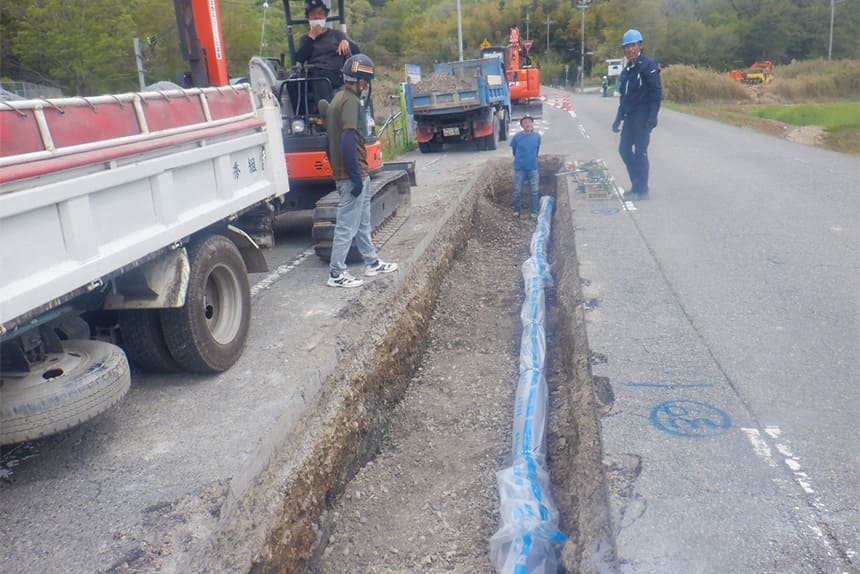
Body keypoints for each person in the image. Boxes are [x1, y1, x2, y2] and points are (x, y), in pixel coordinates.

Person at [323, 54, 397, 288]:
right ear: (362, 81)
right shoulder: (351, 102)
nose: (367, 86)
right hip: (352, 175)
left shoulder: (336, 100)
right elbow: (348, 139)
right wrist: (354, 176)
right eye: (367, 81)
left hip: (352, 173)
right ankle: (337, 273)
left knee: (363, 222)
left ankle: (371, 262)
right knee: (347, 225)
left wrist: (339, 169)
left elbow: (328, 142)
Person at [612, 29, 662, 200]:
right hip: (630, 117)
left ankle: (642, 190)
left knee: (640, 152)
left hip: (643, 116)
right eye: (627, 47)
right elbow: (624, 98)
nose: (630, 49)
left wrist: (653, 116)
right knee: (624, 150)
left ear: (640, 46)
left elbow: (656, 93)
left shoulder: (649, 65)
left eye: (633, 45)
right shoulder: (627, 70)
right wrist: (618, 119)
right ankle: (636, 185)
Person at [295, 0, 359, 95]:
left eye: (320, 14)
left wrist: (347, 42)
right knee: (293, 82)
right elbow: (300, 59)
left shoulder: (337, 35)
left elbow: (357, 52)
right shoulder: (305, 39)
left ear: (325, 16)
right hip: (312, 73)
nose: (317, 17)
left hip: (333, 73)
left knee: (320, 77)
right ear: (308, 18)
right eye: (313, 14)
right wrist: (312, 37)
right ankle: (300, 105)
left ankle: (324, 105)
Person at [510, 115, 542, 219]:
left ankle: (533, 212)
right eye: (525, 122)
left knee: (534, 192)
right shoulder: (517, 137)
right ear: (522, 125)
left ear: (532, 124)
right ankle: (516, 211)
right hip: (520, 168)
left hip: (533, 168)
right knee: (517, 191)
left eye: (529, 122)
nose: (527, 124)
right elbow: (514, 151)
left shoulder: (537, 137)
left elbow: (536, 150)